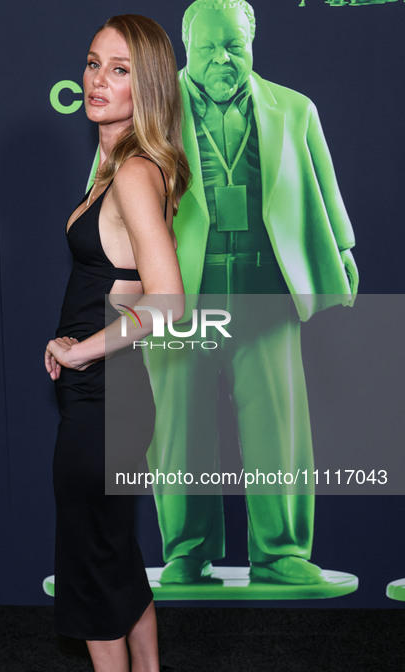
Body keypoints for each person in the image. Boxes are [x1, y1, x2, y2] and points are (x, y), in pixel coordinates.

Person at [146, 0, 357, 586]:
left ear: (251, 44)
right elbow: (105, 198)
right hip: (181, 294)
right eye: (209, 46)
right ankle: (185, 549)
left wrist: (341, 249)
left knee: (278, 427)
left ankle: (281, 551)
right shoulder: (149, 113)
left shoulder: (293, 109)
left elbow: (324, 187)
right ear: (186, 47)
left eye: (234, 46)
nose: (222, 58)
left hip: (265, 293)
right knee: (178, 429)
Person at [45, 14, 189, 672]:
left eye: (121, 70)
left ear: (151, 85)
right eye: (93, 65)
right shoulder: (120, 166)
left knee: (88, 560)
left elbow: (167, 301)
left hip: (105, 396)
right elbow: (113, 282)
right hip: (115, 393)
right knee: (113, 548)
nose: (98, 81)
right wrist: (69, 340)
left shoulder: (132, 170)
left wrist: (80, 350)